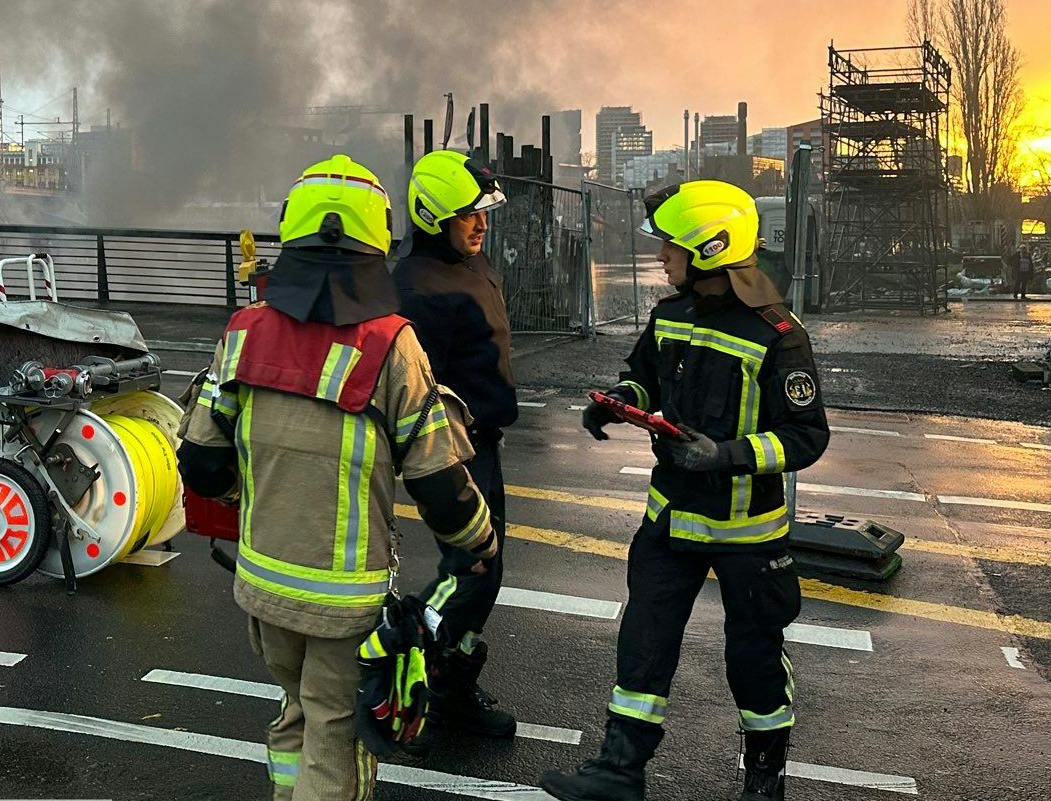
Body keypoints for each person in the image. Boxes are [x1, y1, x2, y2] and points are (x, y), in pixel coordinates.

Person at [177, 153, 500, 801]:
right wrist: (478, 541)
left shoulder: (243, 331)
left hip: (263, 587)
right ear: (377, 235)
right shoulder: (391, 342)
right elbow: (439, 482)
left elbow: (203, 464)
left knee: (296, 712)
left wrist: (253, 493)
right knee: (336, 732)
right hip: (343, 603)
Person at [540, 180, 830, 801]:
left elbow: (806, 436)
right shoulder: (671, 314)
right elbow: (644, 376)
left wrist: (725, 455)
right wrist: (620, 401)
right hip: (669, 521)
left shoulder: (779, 333)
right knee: (643, 645)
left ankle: (765, 778)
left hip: (748, 535)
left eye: (670, 244)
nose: (661, 256)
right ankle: (619, 772)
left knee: (753, 659)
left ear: (708, 248)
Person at [394, 149, 518, 739]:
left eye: (482, 211)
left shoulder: (466, 264)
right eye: (468, 214)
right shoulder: (416, 289)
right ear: (433, 218)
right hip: (455, 451)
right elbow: (416, 392)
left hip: (483, 442)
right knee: (473, 566)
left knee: (485, 570)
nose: (481, 224)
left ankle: (451, 682)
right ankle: (411, 650)